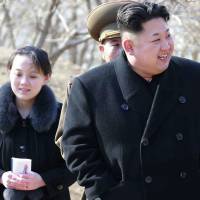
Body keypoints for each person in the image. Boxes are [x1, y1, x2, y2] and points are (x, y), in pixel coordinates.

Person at [61, 1, 200, 200]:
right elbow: (77, 149)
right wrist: (103, 191)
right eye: (156, 40)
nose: (167, 46)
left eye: (168, 35)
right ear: (129, 46)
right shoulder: (90, 87)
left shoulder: (194, 76)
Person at [0, 46, 75, 200]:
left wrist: (43, 180)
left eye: (33, 76)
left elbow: (76, 163)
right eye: (18, 74)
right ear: (9, 71)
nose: (24, 82)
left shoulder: (64, 116)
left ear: (46, 77)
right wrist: (2, 177)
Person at [55, 1, 129, 153]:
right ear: (102, 50)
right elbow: (66, 140)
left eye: (127, 43)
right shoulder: (83, 86)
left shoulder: (154, 81)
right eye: (115, 45)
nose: (123, 51)